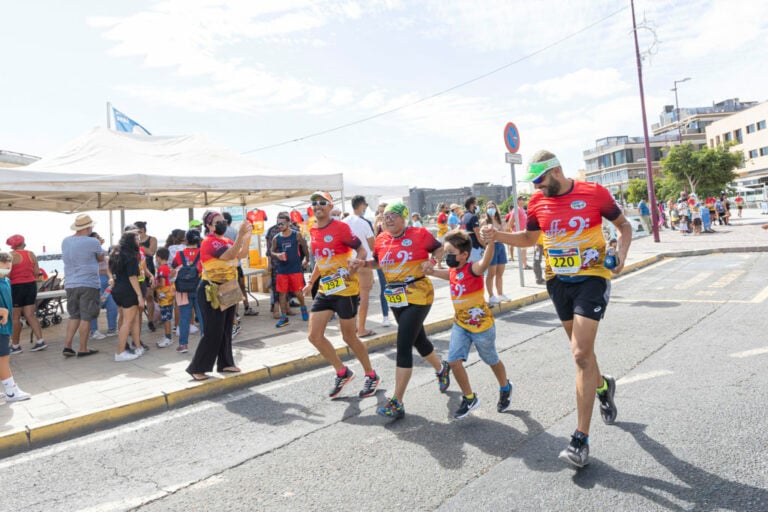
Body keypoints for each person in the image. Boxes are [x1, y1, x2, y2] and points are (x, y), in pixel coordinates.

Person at [488, 150, 631, 468]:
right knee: (582, 352)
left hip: (591, 278)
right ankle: (604, 386)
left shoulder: (593, 193)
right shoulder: (537, 203)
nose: (536, 186)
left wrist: (620, 256)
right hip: (558, 282)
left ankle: (580, 441)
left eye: (539, 180)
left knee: (580, 355)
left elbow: (624, 226)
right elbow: (530, 238)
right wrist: (497, 235)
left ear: (555, 171)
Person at [354, 201, 449, 420]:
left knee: (403, 343)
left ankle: (396, 401)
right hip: (396, 296)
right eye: (385, 215)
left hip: (418, 293)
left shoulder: (419, 233)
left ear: (403, 217)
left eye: (393, 215)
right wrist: (361, 264)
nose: (388, 219)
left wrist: (433, 260)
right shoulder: (381, 238)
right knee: (418, 340)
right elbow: (378, 262)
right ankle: (442, 368)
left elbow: (438, 247)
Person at [426, 230, 513, 419]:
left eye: (451, 253)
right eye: (446, 253)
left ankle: (505, 386)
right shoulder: (452, 271)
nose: (447, 257)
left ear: (464, 255)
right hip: (461, 325)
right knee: (454, 361)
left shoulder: (473, 269)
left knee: (491, 360)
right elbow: (442, 274)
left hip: (482, 327)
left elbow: (485, 262)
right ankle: (469, 397)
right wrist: (429, 269)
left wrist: (491, 242)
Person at [303, 191, 380, 399]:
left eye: (322, 202)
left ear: (329, 207)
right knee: (314, 336)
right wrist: (311, 282)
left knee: (349, 336)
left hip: (345, 288)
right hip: (326, 289)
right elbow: (320, 259)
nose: (317, 205)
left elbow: (361, 251)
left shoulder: (341, 227)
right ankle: (342, 371)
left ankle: (371, 375)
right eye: (314, 203)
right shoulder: (312, 230)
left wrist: (356, 264)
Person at [186, 210, 252, 380]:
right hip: (212, 289)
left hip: (228, 286)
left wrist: (247, 236)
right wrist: (241, 235)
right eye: (217, 221)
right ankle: (197, 367)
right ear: (209, 225)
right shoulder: (209, 242)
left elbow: (241, 254)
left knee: (226, 328)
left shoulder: (227, 240)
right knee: (213, 330)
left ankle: (226, 363)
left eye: (223, 220)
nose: (222, 223)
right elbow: (229, 254)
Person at [61, 214, 103, 358]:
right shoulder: (93, 241)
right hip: (88, 283)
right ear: (88, 227)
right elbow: (101, 258)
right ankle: (83, 348)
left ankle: (67, 346)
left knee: (74, 316)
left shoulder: (65, 241)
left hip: (71, 283)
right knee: (86, 317)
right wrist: (100, 244)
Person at [6, 235, 47, 353]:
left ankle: (15, 346)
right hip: (31, 285)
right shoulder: (31, 254)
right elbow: (36, 272)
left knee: (15, 317)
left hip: (16, 287)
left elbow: (7, 275)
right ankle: (40, 341)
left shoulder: (11, 256)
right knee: (30, 315)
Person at [344, 195, 377, 337]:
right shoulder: (364, 223)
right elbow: (372, 245)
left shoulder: (342, 222)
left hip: (347, 263)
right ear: (362, 205)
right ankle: (361, 329)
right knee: (364, 298)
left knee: (349, 298)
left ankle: (351, 328)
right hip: (363, 263)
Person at [109, 229, 144, 362]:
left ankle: (138, 346)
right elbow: (132, 277)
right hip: (129, 291)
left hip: (118, 290)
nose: (138, 241)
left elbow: (109, 268)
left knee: (132, 319)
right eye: (136, 238)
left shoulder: (116, 252)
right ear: (131, 240)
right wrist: (139, 295)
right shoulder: (131, 256)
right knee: (127, 322)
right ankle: (120, 352)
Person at [0, 252, 31, 401]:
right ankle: (12, 392)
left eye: (9, 266)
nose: (7, 268)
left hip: (5, 326)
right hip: (1, 326)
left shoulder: (5, 280)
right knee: (3, 359)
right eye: (4, 266)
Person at [271, 212, 309, 327]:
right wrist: (277, 255)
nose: (280, 226)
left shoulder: (296, 235)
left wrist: (306, 260)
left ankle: (303, 307)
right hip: (282, 270)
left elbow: (304, 246)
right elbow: (271, 251)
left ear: (288, 223)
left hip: (295, 269)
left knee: (298, 292)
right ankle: (284, 317)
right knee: (282, 294)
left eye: (282, 223)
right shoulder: (276, 238)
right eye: (278, 224)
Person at [172, 229, 204, 354]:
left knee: (184, 317)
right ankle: (205, 342)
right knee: (202, 316)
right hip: (200, 288)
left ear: (186, 240)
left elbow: (173, 269)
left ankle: (183, 345)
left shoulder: (179, 254)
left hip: (183, 290)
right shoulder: (202, 253)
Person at [222, 212, 255, 318]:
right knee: (241, 287)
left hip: (226, 264)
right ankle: (246, 307)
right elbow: (242, 247)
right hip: (237, 263)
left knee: (230, 289)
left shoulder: (221, 233)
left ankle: (233, 315)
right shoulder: (235, 231)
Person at [89, 232, 118, 339]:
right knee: (94, 307)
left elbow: (108, 267)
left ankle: (112, 328)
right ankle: (93, 330)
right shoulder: (90, 253)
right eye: (97, 238)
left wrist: (110, 278)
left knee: (112, 305)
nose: (100, 239)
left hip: (106, 281)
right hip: (95, 281)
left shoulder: (103, 252)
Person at [481, 201, 509, 304]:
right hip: (491, 246)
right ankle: (491, 295)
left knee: (500, 273)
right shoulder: (484, 221)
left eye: (492, 206)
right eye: (489, 207)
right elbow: (482, 237)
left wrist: (503, 225)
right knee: (491, 273)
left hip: (500, 246)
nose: (491, 209)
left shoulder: (499, 220)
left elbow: (504, 232)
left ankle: (500, 294)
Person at [135, 221, 158, 332]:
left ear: (142, 230)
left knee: (149, 296)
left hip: (148, 269)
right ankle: (135, 322)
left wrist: (138, 245)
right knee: (136, 297)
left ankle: (150, 320)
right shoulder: (133, 241)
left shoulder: (152, 239)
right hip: (136, 271)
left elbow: (151, 252)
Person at [154, 247, 174, 347]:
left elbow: (161, 283)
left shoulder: (162, 268)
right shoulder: (167, 267)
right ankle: (167, 336)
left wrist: (154, 285)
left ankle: (168, 337)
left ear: (158, 257)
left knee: (166, 318)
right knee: (167, 317)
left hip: (165, 296)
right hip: (168, 295)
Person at [460, 196, 485, 263]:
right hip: (475, 249)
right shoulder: (473, 217)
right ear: (472, 205)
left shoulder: (463, 217)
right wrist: (486, 246)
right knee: (481, 271)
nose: (477, 206)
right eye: (476, 204)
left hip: (467, 248)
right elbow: (478, 236)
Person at [435, 204, 449, 269]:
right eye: (445, 208)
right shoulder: (442, 215)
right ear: (442, 208)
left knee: (443, 249)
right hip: (442, 234)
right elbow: (441, 225)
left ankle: (439, 264)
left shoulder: (442, 215)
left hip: (443, 234)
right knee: (442, 249)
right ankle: (438, 264)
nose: (447, 209)